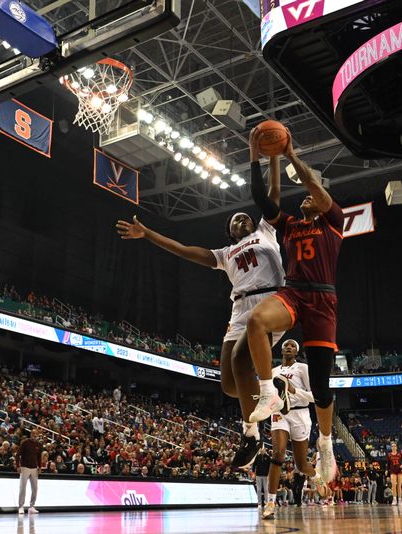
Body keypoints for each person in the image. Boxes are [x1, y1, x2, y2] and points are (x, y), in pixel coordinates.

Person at [115, 156, 286, 469]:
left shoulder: (266, 232)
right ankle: (271, 383)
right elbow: (183, 250)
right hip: (239, 310)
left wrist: (274, 157)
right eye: (235, 220)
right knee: (229, 384)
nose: (242, 220)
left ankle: (251, 433)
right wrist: (149, 234)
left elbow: (273, 194)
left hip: (269, 302)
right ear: (229, 231)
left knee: (239, 360)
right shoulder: (224, 254)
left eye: (244, 217)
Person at [246, 126, 345, 483]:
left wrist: (289, 155)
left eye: (310, 197)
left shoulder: (334, 221)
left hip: (322, 298)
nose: (304, 198)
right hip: (294, 291)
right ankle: (267, 393)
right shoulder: (288, 225)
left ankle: (327, 441)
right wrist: (255, 155)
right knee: (257, 321)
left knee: (320, 385)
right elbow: (261, 198)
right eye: (302, 197)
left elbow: (316, 188)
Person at [262, 339, 324, 520]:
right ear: (281, 350)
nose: (288, 347)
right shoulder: (273, 372)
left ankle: (317, 478)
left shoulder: (303, 369)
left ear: (296, 352)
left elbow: (315, 397)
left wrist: (294, 390)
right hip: (280, 413)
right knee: (278, 454)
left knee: (302, 465)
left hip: (301, 415)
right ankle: (271, 503)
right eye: (286, 345)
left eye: (292, 346)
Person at [15, 430, 42, 515]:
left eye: (36, 433)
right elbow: (17, 454)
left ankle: (32, 506)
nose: (34, 435)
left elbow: (39, 457)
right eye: (33, 433)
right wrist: (18, 466)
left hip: (34, 468)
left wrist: (40, 467)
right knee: (22, 487)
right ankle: (21, 507)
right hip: (24, 467)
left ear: (37, 435)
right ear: (30, 434)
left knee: (35, 488)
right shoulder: (25, 443)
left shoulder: (39, 445)